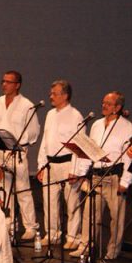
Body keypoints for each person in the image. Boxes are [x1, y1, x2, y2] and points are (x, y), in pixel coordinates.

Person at [71, 91, 132, 259]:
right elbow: (90, 150)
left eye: (108, 103)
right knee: (90, 214)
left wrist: (126, 181)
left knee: (116, 218)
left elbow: (130, 157)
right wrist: (82, 173)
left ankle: (113, 251)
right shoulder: (97, 125)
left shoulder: (127, 127)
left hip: (114, 176)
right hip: (96, 176)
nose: (104, 106)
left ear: (118, 107)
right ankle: (86, 246)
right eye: (103, 102)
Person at [0, 70, 40, 240]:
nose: (4, 84)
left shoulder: (27, 105)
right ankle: (9, 222)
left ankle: (30, 226)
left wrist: (22, 144)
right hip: (0, 150)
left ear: (17, 85)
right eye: (3, 81)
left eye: (8, 82)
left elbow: (33, 131)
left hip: (17, 151)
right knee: (4, 189)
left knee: (23, 189)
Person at [36, 79, 83, 249]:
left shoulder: (75, 115)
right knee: (49, 201)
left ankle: (73, 236)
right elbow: (45, 141)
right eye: (51, 93)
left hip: (67, 164)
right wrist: (41, 165)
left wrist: (75, 170)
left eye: (54, 94)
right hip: (51, 164)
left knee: (71, 202)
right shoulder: (50, 114)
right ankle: (52, 233)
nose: (51, 97)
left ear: (65, 95)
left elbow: (79, 145)